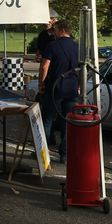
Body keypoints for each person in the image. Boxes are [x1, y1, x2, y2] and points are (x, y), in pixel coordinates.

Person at [38, 19, 79, 163]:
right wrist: (79, 86)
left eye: (55, 30)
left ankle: (42, 153)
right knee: (67, 122)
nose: (53, 33)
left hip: (54, 88)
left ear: (62, 31)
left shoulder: (52, 45)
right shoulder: (78, 47)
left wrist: (41, 83)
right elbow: (82, 68)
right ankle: (64, 154)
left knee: (47, 120)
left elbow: (45, 66)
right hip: (71, 89)